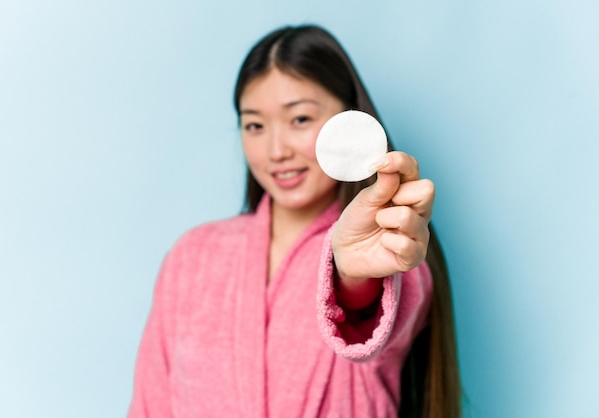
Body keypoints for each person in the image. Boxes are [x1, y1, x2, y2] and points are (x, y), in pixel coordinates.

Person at [128, 24, 461, 418]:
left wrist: (353, 277)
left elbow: (374, 312)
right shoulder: (192, 257)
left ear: (350, 122)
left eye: (300, 119)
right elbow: (150, 404)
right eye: (255, 125)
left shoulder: (387, 245)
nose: (276, 150)